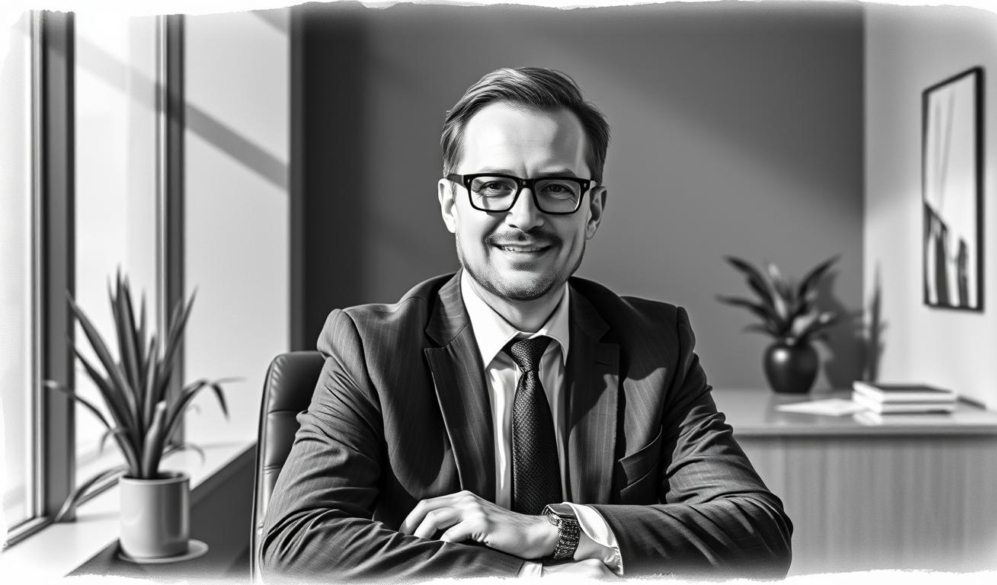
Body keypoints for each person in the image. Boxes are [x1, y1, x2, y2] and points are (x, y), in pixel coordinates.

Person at [260, 67, 793, 581]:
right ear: (450, 205)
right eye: (492, 185)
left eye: (557, 187)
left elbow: (758, 534)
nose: (524, 217)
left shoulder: (654, 346)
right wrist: (526, 575)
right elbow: (298, 543)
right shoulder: (371, 348)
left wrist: (557, 533)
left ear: (595, 210)